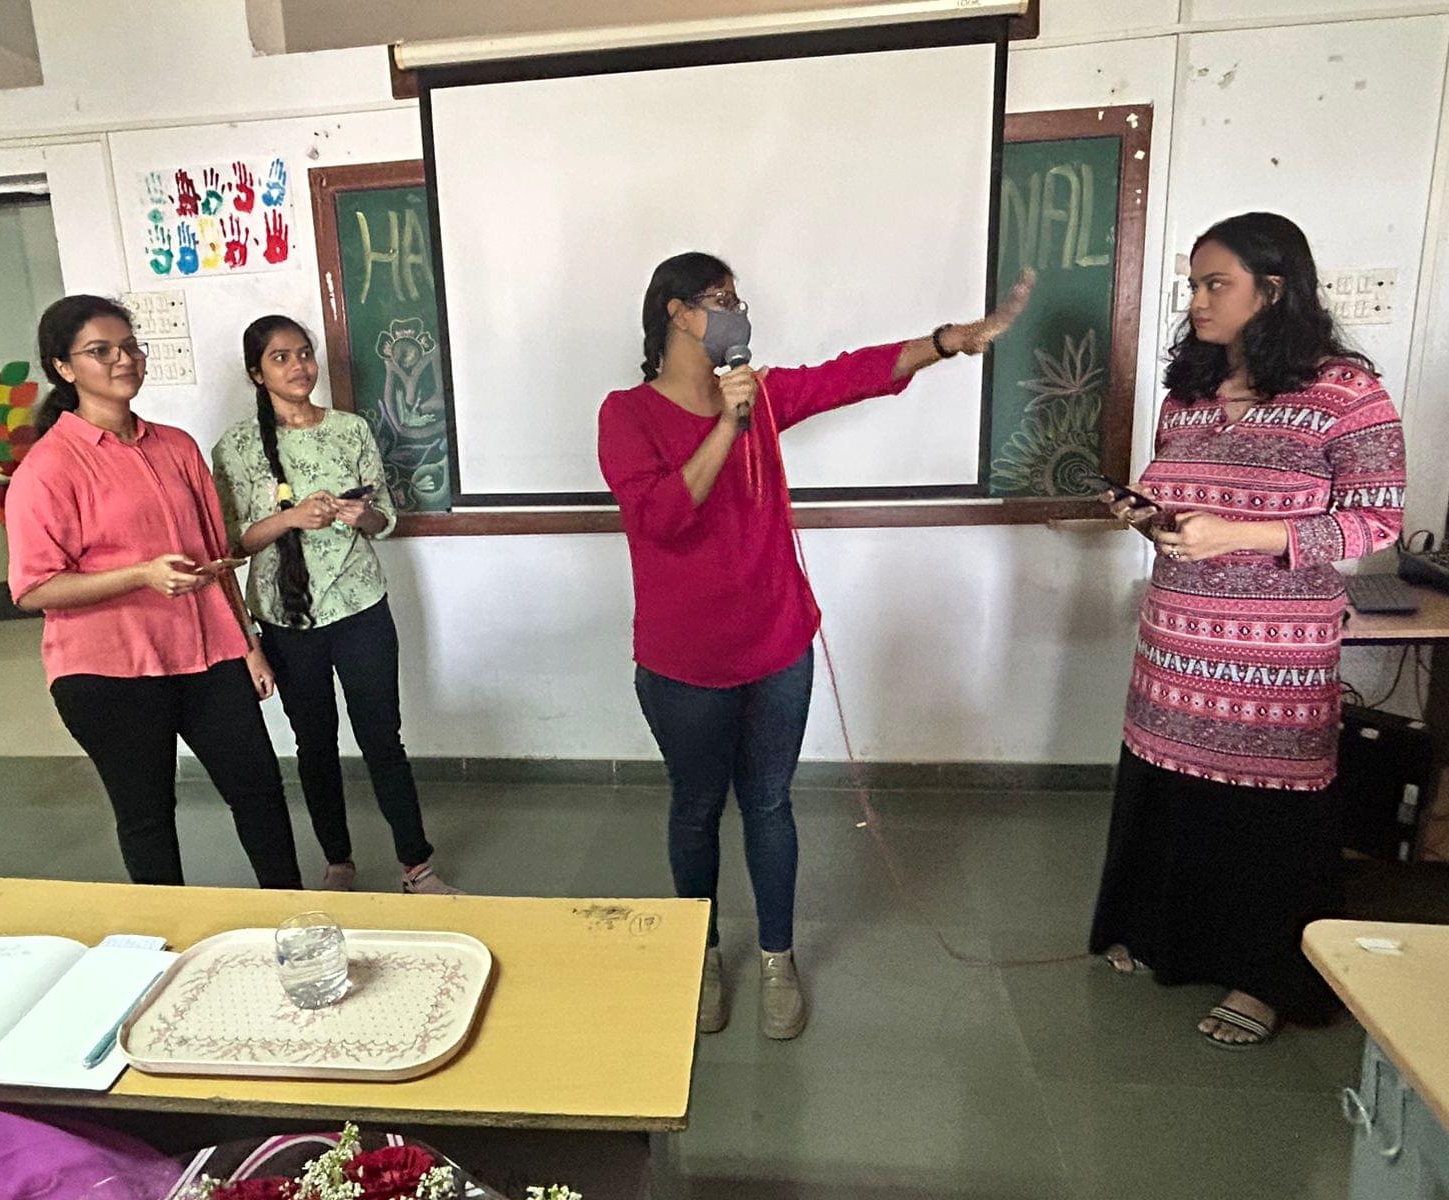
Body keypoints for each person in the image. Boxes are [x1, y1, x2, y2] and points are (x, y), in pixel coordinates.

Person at [597, 252, 1032, 1039]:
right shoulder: (627, 414)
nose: (737, 312)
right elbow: (660, 518)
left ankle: (777, 957)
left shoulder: (762, 396)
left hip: (778, 648)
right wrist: (726, 426)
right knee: (696, 808)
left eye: (738, 298)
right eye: (719, 298)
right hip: (683, 663)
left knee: (769, 803)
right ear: (675, 313)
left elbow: (850, 374)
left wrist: (946, 340)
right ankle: (701, 954)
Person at [1090, 212, 1406, 1047]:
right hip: (1175, 644)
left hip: (1273, 660)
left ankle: (1264, 980)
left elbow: (1374, 522)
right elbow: (1183, 503)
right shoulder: (1188, 395)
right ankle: (1164, 938)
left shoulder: (1346, 394)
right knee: (1175, 797)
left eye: (1214, 284)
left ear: (1272, 290)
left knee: (1262, 821)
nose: (1196, 300)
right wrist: (1151, 521)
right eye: (1193, 285)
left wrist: (1242, 534)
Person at [6, 295, 302, 889]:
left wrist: (248, 644)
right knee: (147, 818)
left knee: (260, 792)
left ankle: (292, 916)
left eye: (130, 347)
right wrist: (141, 575)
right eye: (101, 351)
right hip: (108, 672)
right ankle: (164, 938)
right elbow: (33, 588)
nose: (123, 360)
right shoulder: (49, 467)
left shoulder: (176, 446)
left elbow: (217, 557)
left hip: (208, 655)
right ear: (63, 367)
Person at [212, 315, 457, 895]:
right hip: (286, 616)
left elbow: (384, 518)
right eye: (280, 358)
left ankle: (417, 865)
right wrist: (291, 518)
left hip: (359, 605)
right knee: (314, 744)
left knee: (382, 739)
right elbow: (230, 544)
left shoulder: (351, 429)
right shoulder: (236, 448)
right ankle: (338, 861)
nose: (299, 366)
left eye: (304, 353)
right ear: (256, 373)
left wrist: (362, 515)